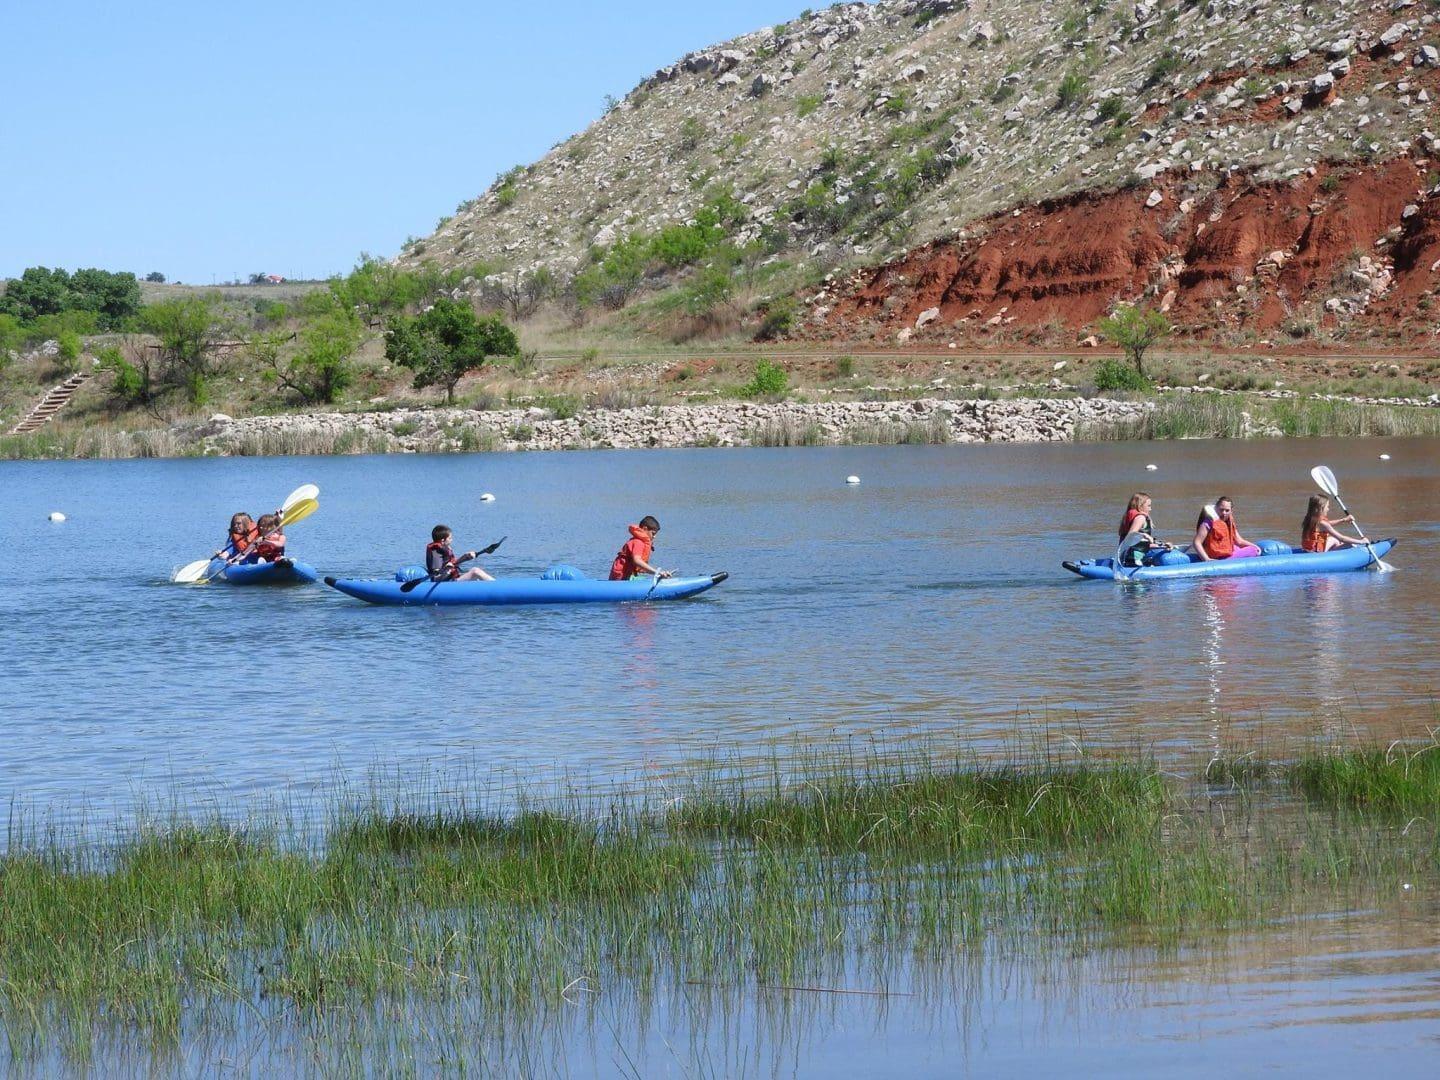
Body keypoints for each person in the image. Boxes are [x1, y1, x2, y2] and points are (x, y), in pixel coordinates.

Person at [1193, 496, 1260, 561]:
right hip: (1217, 557)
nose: (1224, 513)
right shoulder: (1208, 522)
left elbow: (1239, 541)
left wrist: (1256, 546)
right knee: (1253, 550)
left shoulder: (1229, 521)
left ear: (1231, 511)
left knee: (1238, 547)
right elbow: (1196, 542)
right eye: (1221, 509)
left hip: (1225, 553)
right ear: (1216, 508)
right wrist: (1206, 559)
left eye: (1227, 510)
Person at [609, 516, 671, 581]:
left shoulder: (639, 542)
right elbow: (637, 561)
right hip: (620, 578)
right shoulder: (638, 542)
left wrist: (661, 574)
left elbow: (641, 566)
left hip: (627, 576)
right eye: (653, 533)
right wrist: (657, 572)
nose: (654, 537)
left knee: (644, 579)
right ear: (644, 529)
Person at [1116, 492, 1170, 567]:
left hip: (1127, 558)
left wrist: (1162, 545)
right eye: (1148, 506)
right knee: (1168, 558)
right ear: (1140, 506)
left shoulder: (1131, 516)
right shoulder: (1140, 518)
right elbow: (1130, 536)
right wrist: (1145, 535)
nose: (1150, 509)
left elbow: (1141, 545)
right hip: (1134, 559)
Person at [1301, 494, 1368, 552]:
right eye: (1327, 507)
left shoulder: (1310, 518)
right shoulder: (1322, 524)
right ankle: (1332, 554)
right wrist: (1361, 541)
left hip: (1308, 549)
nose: (1328, 509)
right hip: (1317, 553)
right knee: (1351, 545)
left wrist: (1343, 520)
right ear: (1321, 508)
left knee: (1333, 540)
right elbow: (1342, 538)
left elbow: (1328, 524)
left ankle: (1334, 550)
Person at [426, 524, 494, 582]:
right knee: (475, 572)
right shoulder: (436, 550)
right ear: (443, 540)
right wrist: (446, 570)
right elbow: (436, 577)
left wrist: (465, 557)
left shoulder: (444, 548)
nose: (452, 540)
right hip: (445, 583)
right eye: (450, 538)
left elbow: (452, 564)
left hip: (451, 578)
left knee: (476, 573)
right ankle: (499, 589)